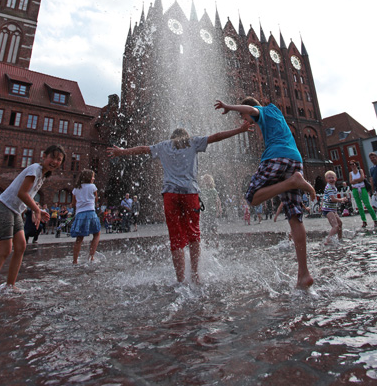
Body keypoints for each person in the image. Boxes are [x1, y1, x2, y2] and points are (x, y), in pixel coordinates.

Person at [107, 120, 251, 284]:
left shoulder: (164, 146)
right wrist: (240, 130)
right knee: (194, 234)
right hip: (190, 193)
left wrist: (122, 152)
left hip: (170, 195)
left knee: (176, 237)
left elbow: (143, 149)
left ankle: (181, 279)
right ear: (186, 136)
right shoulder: (193, 142)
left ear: (172, 137)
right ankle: (195, 275)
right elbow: (216, 136)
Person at [215, 97, 316, 289]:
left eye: (243, 116)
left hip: (276, 156)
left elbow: (252, 110)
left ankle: (292, 183)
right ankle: (304, 273)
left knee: (252, 197)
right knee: (295, 217)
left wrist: (229, 107)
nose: (245, 120)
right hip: (295, 160)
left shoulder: (262, 111)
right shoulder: (276, 112)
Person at [0, 145, 66, 297]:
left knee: (20, 246)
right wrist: (37, 210)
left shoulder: (42, 175)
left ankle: (10, 285)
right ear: (43, 156)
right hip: (4, 208)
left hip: (15, 211)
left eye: (59, 159)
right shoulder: (35, 169)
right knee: (5, 250)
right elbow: (22, 193)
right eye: (52, 157)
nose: (54, 161)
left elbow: (29, 196)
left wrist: (39, 209)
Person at [70, 169, 101, 264]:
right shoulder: (92, 187)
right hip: (91, 212)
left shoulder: (76, 189)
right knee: (96, 234)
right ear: (89, 177)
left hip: (80, 214)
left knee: (79, 238)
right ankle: (91, 257)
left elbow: (73, 203)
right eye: (93, 176)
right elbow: (96, 199)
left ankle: (75, 260)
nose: (94, 178)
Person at [348, 160, 377, 228]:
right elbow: (351, 182)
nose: (352, 165)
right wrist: (358, 180)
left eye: (353, 164)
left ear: (356, 164)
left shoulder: (360, 171)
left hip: (362, 188)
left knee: (367, 204)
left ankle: (375, 220)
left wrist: (355, 180)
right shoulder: (350, 173)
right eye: (350, 164)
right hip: (355, 189)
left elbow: (362, 178)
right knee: (359, 206)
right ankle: (364, 221)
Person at [322, 171, 347, 245]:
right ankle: (327, 241)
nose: (331, 179)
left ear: (335, 179)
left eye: (332, 177)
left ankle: (340, 239)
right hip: (328, 209)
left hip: (332, 209)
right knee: (335, 225)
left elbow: (324, 197)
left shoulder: (333, 187)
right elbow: (333, 199)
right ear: (326, 179)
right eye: (329, 178)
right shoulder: (329, 187)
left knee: (340, 223)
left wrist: (321, 206)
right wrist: (341, 200)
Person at [200, 174, 222, 247]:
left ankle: (217, 243)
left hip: (212, 212)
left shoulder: (213, 190)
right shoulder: (202, 190)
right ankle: (206, 243)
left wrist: (219, 208)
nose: (206, 181)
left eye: (208, 180)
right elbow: (199, 201)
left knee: (214, 228)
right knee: (205, 229)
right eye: (205, 180)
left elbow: (217, 200)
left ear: (211, 181)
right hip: (204, 212)